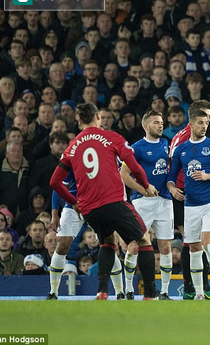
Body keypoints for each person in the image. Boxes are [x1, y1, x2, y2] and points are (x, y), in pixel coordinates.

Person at [50, 103, 159, 300]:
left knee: (108, 242)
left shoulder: (72, 146)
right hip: (113, 202)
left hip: (89, 208)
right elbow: (134, 167)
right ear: (98, 117)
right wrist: (146, 185)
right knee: (143, 240)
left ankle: (102, 291)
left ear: (79, 121)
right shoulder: (112, 138)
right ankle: (151, 294)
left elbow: (54, 182)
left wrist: (73, 201)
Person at [167, 108, 210, 300]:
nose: (204, 126)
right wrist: (171, 188)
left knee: (207, 243)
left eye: (206, 123)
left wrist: (206, 176)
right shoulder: (181, 150)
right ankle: (199, 293)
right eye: (200, 123)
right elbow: (171, 176)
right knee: (193, 248)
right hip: (190, 205)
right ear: (191, 124)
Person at [120, 110, 174, 300]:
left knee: (166, 246)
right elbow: (123, 175)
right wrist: (143, 189)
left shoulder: (166, 143)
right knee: (135, 245)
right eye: (156, 122)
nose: (161, 125)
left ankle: (165, 291)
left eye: (161, 122)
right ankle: (128, 289)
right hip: (142, 202)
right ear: (146, 126)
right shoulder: (136, 148)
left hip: (165, 201)